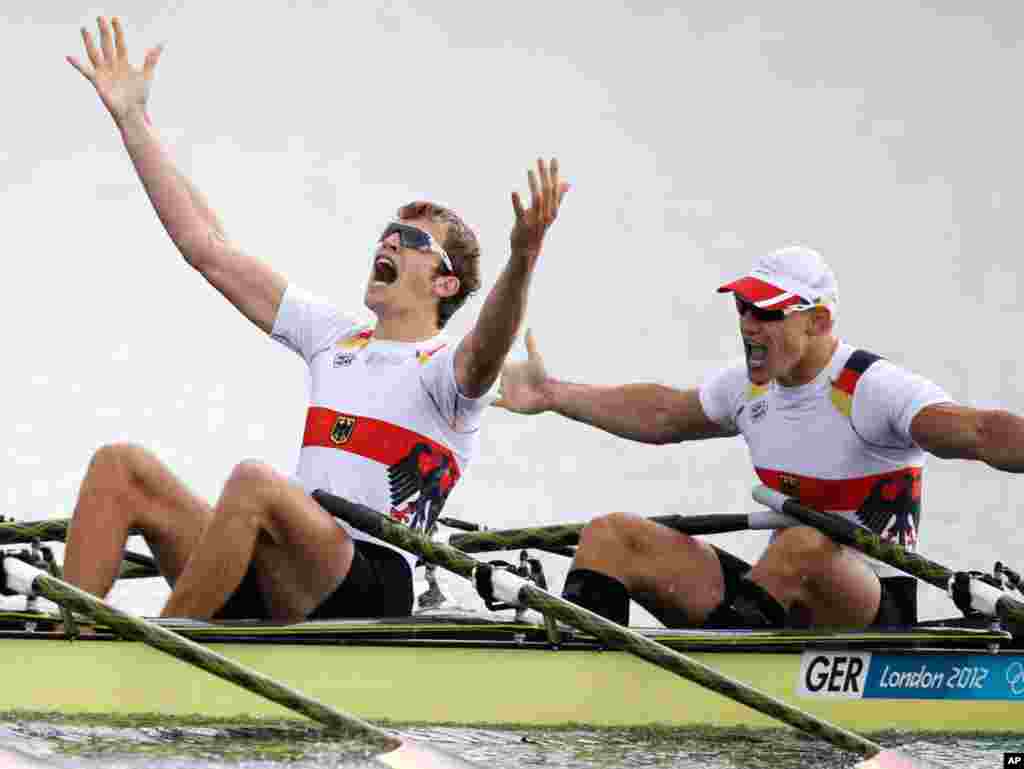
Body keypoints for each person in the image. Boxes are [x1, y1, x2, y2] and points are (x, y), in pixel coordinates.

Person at [63, 16, 568, 622]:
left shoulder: (448, 371)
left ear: (444, 283)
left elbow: (492, 340)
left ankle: (167, 651)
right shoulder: (334, 337)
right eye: (387, 232)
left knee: (253, 480)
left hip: (369, 581)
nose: (389, 242)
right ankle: (72, 645)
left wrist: (525, 256)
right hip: (290, 564)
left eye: (410, 239)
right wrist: (133, 120)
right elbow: (210, 249)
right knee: (121, 468)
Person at [496, 244, 1024, 629]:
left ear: (817, 321)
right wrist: (552, 395)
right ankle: (586, 670)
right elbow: (662, 415)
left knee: (804, 543)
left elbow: (978, 431)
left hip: (869, 609)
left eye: (767, 313)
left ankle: (727, 656)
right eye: (742, 309)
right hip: (778, 593)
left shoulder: (870, 388)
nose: (749, 325)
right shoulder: (749, 388)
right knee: (611, 534)